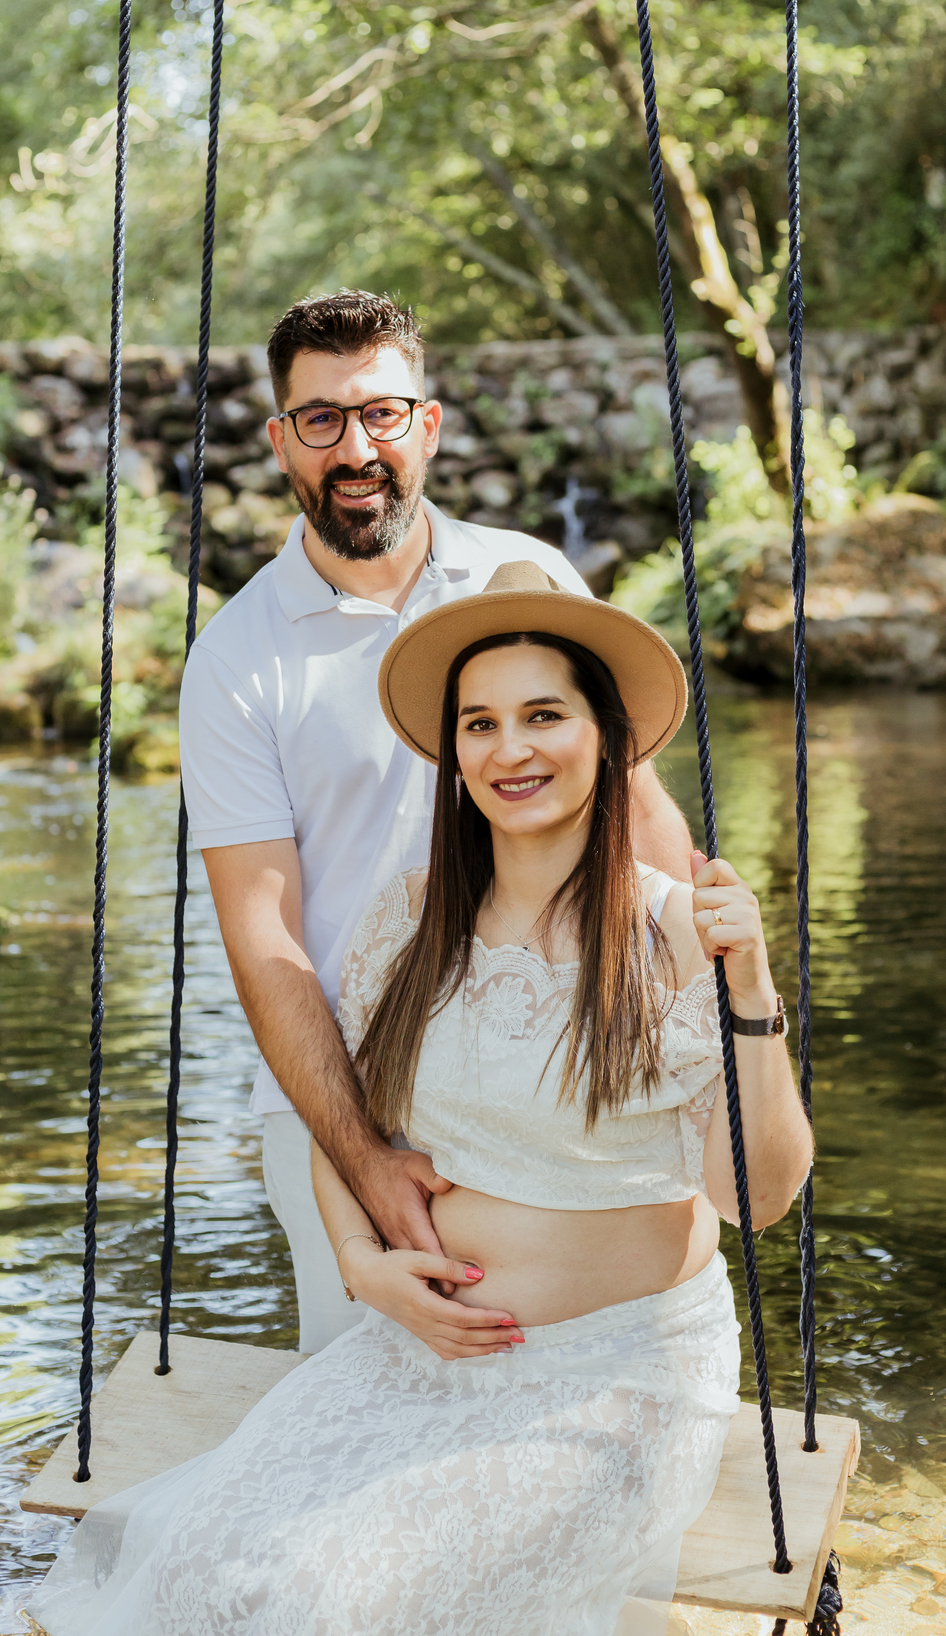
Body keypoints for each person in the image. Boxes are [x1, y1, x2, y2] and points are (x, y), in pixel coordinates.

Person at [27, 561, 813, 1636]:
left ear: (608, 736)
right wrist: (361, 1263)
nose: (511, 750)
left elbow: (756, 1199)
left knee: (328, 1603)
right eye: (480, 724)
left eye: (545, 715)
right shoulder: (414, 921)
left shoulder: (676, 933)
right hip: (414, 1355)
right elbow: (351, 1116)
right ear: (454, 752)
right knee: (216, 1569)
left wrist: (754, 992)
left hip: (613, 1379)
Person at [178, 289, 696, 1352]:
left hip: (562, 1066)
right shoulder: (235, 660)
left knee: (602, 1364)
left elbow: (641, 824)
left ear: (428, 424)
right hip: (349, 1104)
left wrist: (706, 1020)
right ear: (281, 443)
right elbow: (263, 938)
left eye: (380, 413)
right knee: (370, 1391)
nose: (355, 447)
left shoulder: (529, 577)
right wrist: (365, 1156)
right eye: (321, 419)